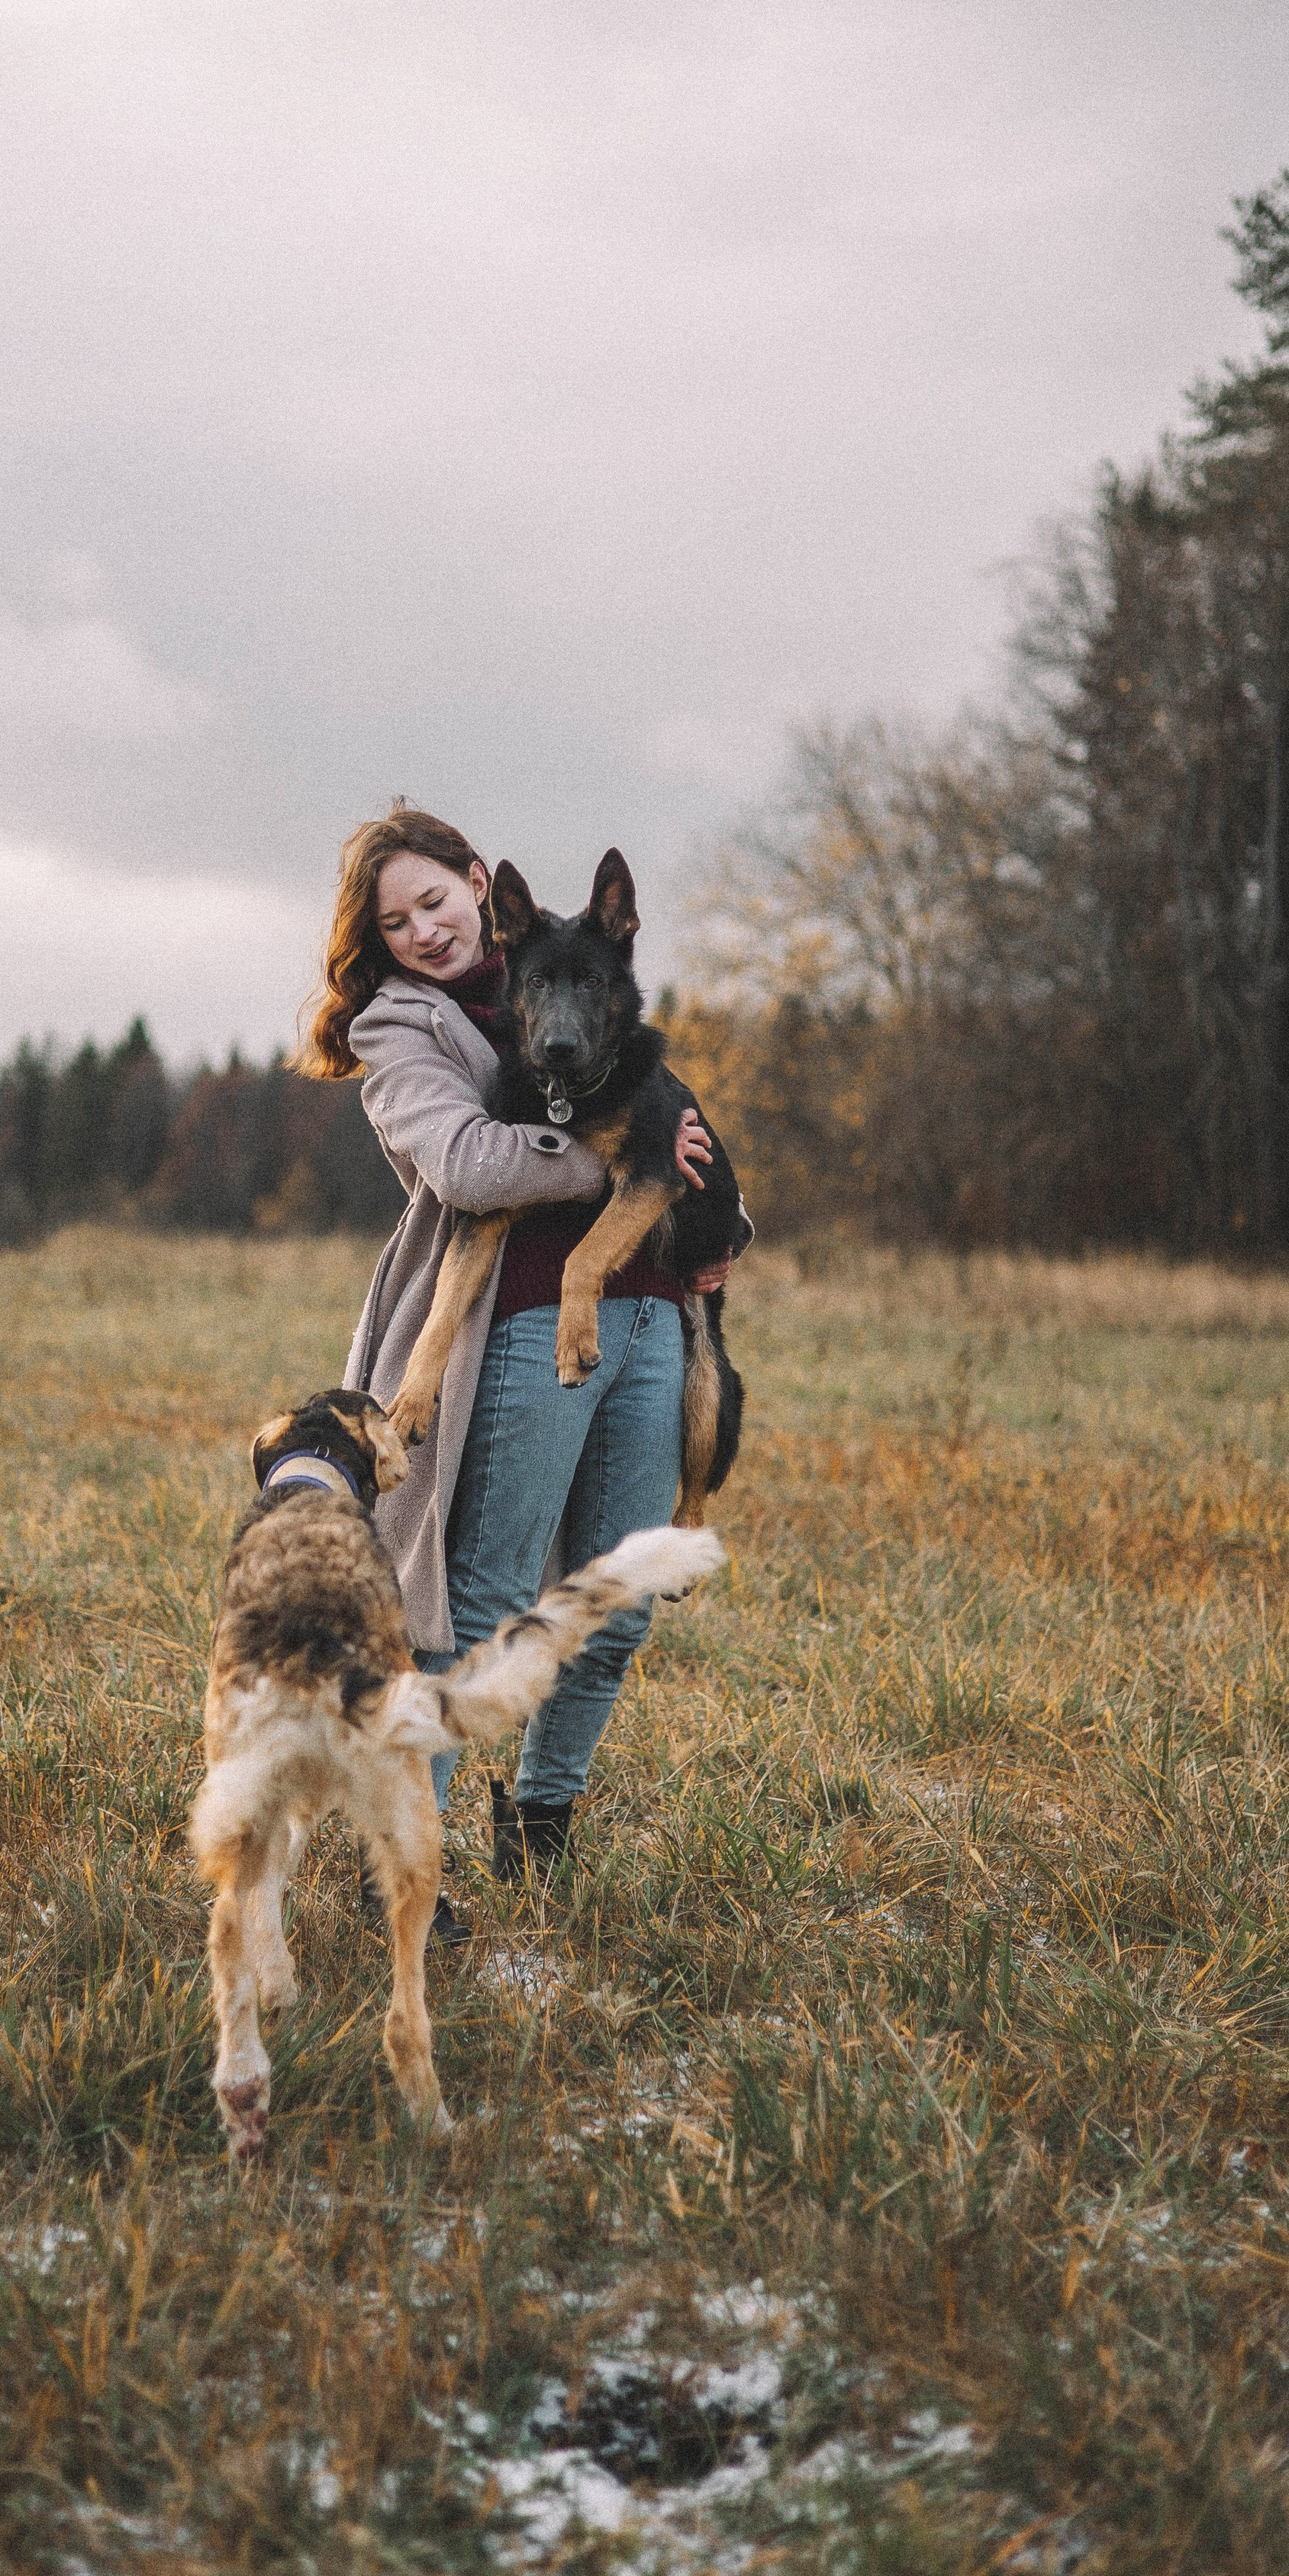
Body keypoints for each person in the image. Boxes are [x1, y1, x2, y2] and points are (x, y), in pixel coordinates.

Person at [298, 802, 744, 1925]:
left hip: (653, 1326)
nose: (425, 929)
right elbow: (466, 1167)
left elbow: (691, 1145)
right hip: (525, 1323)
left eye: (434, 900)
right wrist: (620, 1160)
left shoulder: (572, 972)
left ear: (474, 887)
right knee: (484, 1600)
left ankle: (540, 1825)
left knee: (618, 1604)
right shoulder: (399, 1029)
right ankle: (400, 1864)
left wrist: (716, 1209)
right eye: (396, 922)